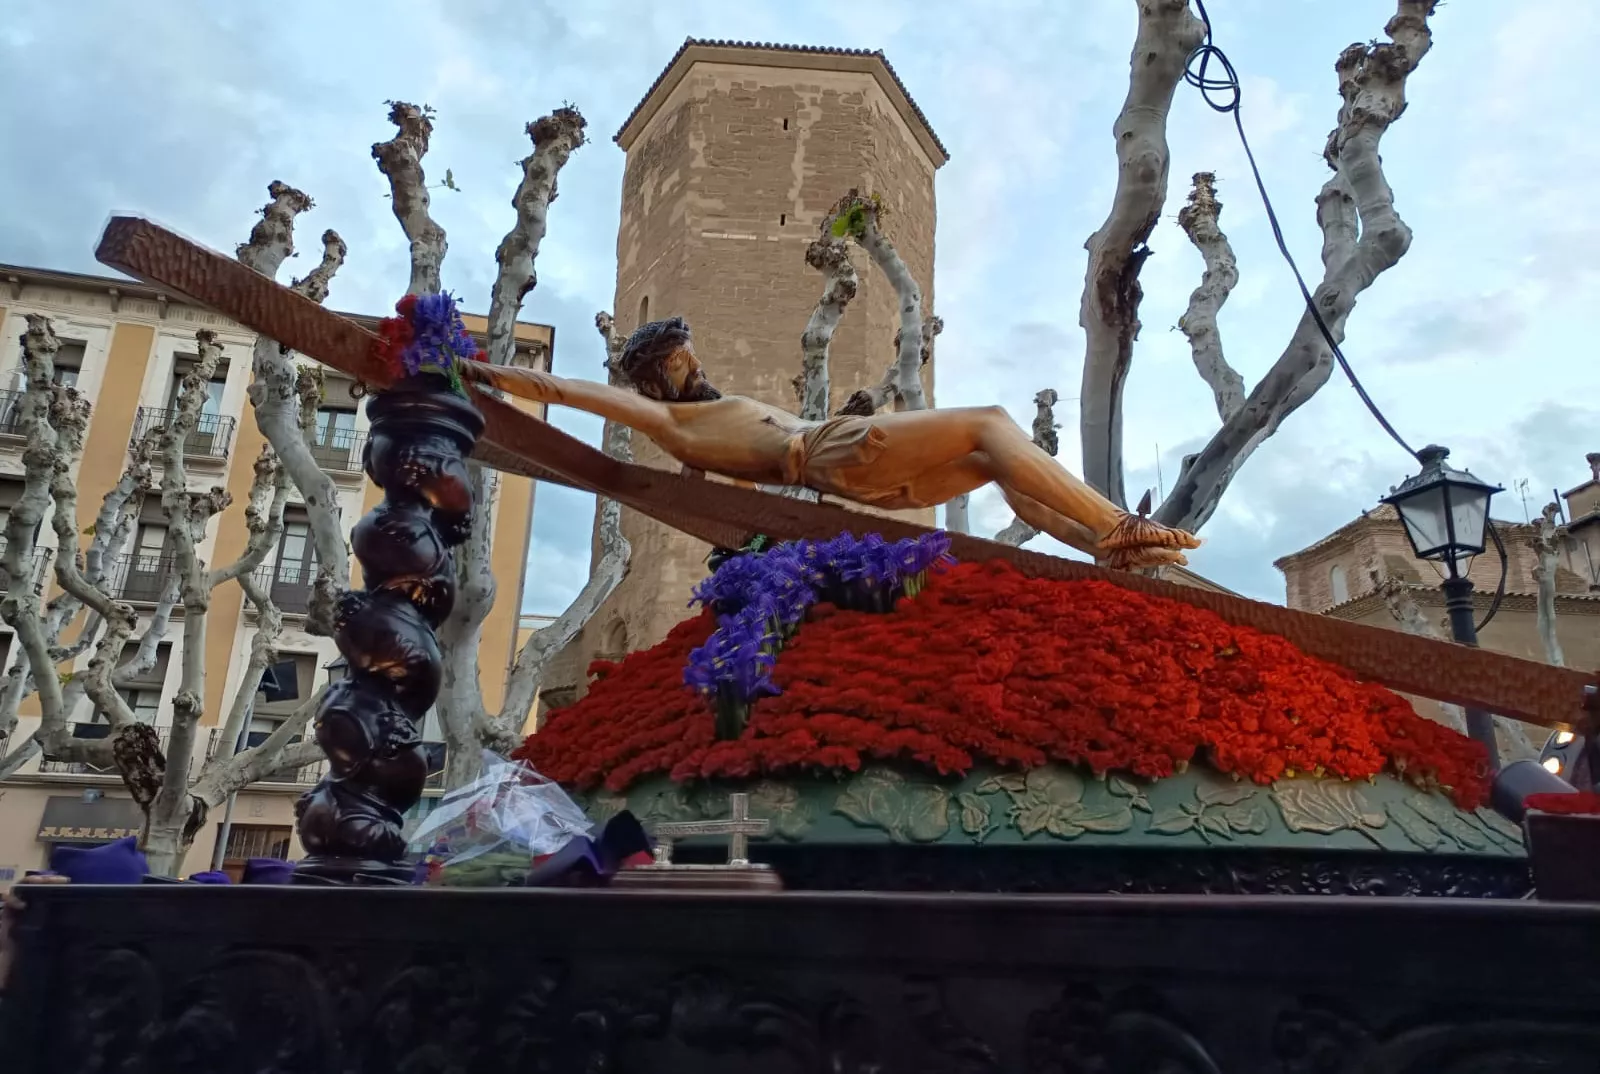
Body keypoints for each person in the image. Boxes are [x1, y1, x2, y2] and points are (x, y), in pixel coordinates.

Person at [462, 318, 1200, 569]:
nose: (699, 365)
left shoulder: (709, 416)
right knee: (990, 422)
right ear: (657, 380)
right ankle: (1116, 524)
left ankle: (1098, 543)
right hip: (834, 454)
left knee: (989, 463)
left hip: (839, 455)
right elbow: (567, 393)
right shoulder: (671, 423)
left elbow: (742, 494)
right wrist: (475, 367)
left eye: (692, 354)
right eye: (683, 361)